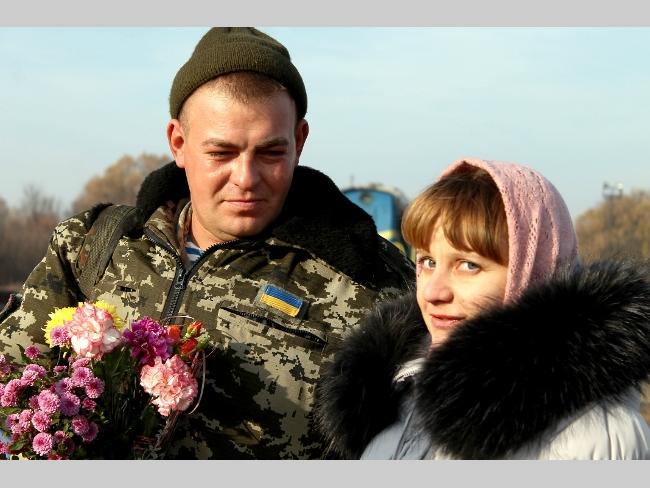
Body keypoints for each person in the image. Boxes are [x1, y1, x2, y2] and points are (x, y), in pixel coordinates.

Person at [0, 27, 414, 459]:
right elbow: (10, 379)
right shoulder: (95, 245)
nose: (246, 179)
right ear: (178, 142)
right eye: (221, 153)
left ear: (300, 140)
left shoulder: (374, 289)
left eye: (271, 153)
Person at [313, 158, 650, 459]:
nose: (432, 292)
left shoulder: (597, 438)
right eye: (427, 261)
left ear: (533, 272)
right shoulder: (396, 395)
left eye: (468, 265)